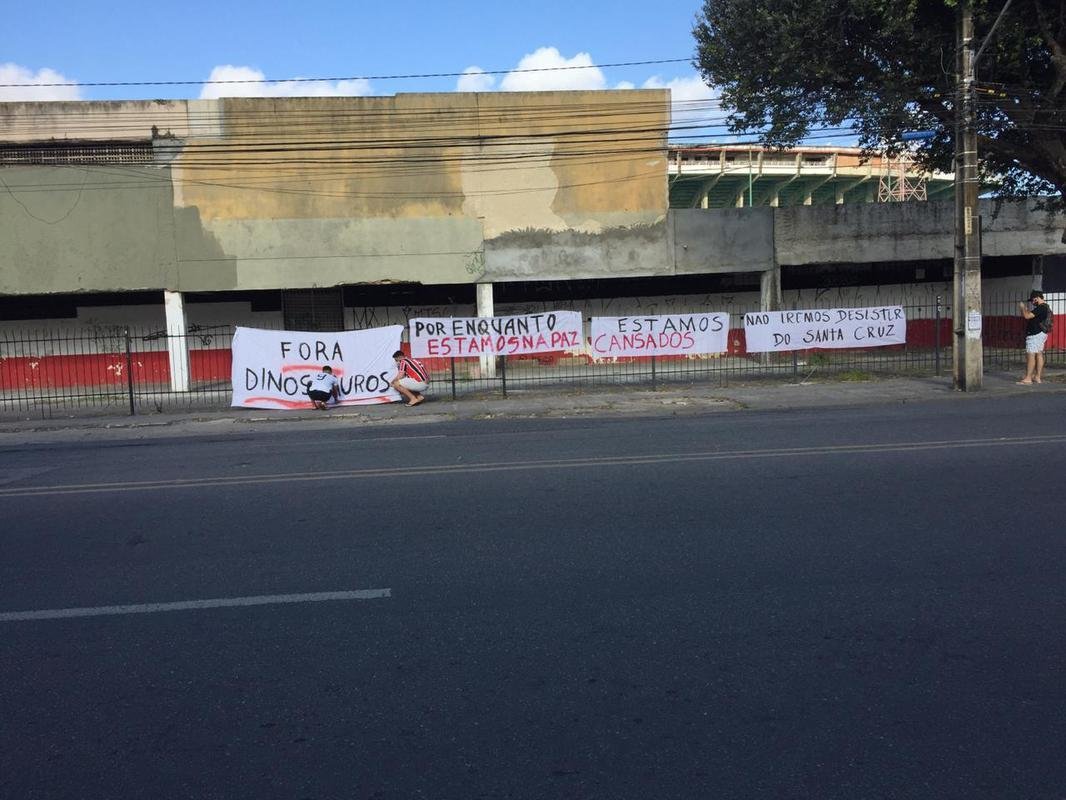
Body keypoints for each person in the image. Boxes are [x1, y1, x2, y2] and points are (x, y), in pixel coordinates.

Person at [1018, 289, 1050, 385]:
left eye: (1032, 300)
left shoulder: (1041, 307)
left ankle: (1028, 378)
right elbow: (1032, 316)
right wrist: (1027, 310)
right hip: (1041, 334)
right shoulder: (1046, 307)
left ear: (1036, 298)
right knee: (1039, 354)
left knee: (1031, 355)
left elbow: (1027, 316)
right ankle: (1037, 377)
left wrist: (1023, 308)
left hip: (1035, 334)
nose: (1032, 302)